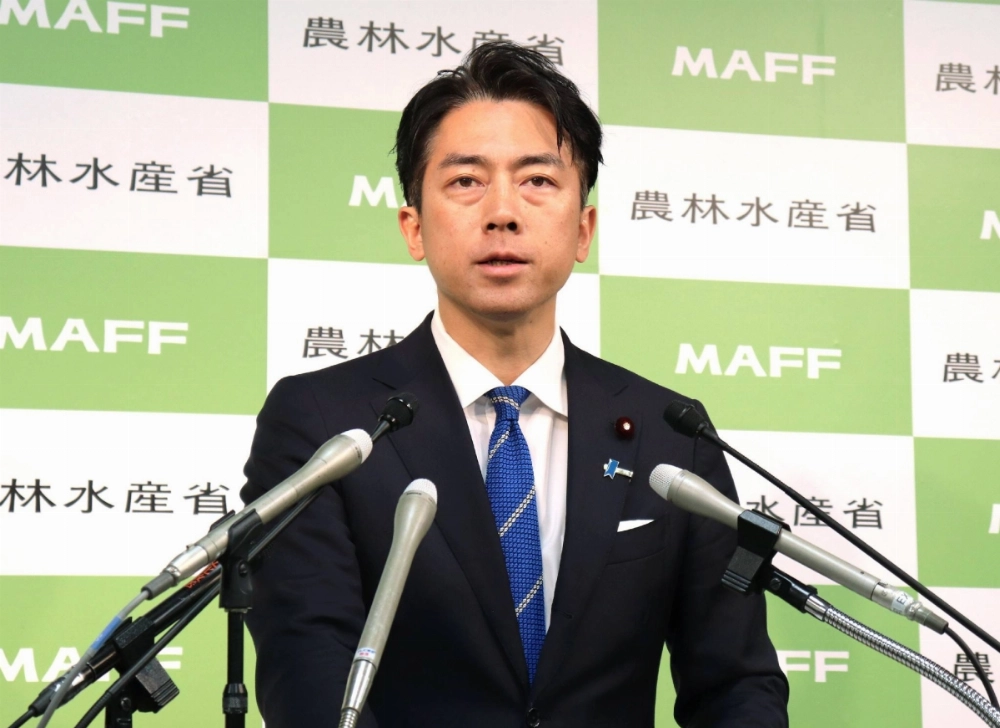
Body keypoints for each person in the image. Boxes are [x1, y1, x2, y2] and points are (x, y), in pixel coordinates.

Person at [241, 42, 789, 727]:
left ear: (583, 228)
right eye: (466, 182)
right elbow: (307, 669)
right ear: (413, 226)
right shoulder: (326, 423)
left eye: (537, 181)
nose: (502, 212)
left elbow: (736, 684)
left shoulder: (668, 432)